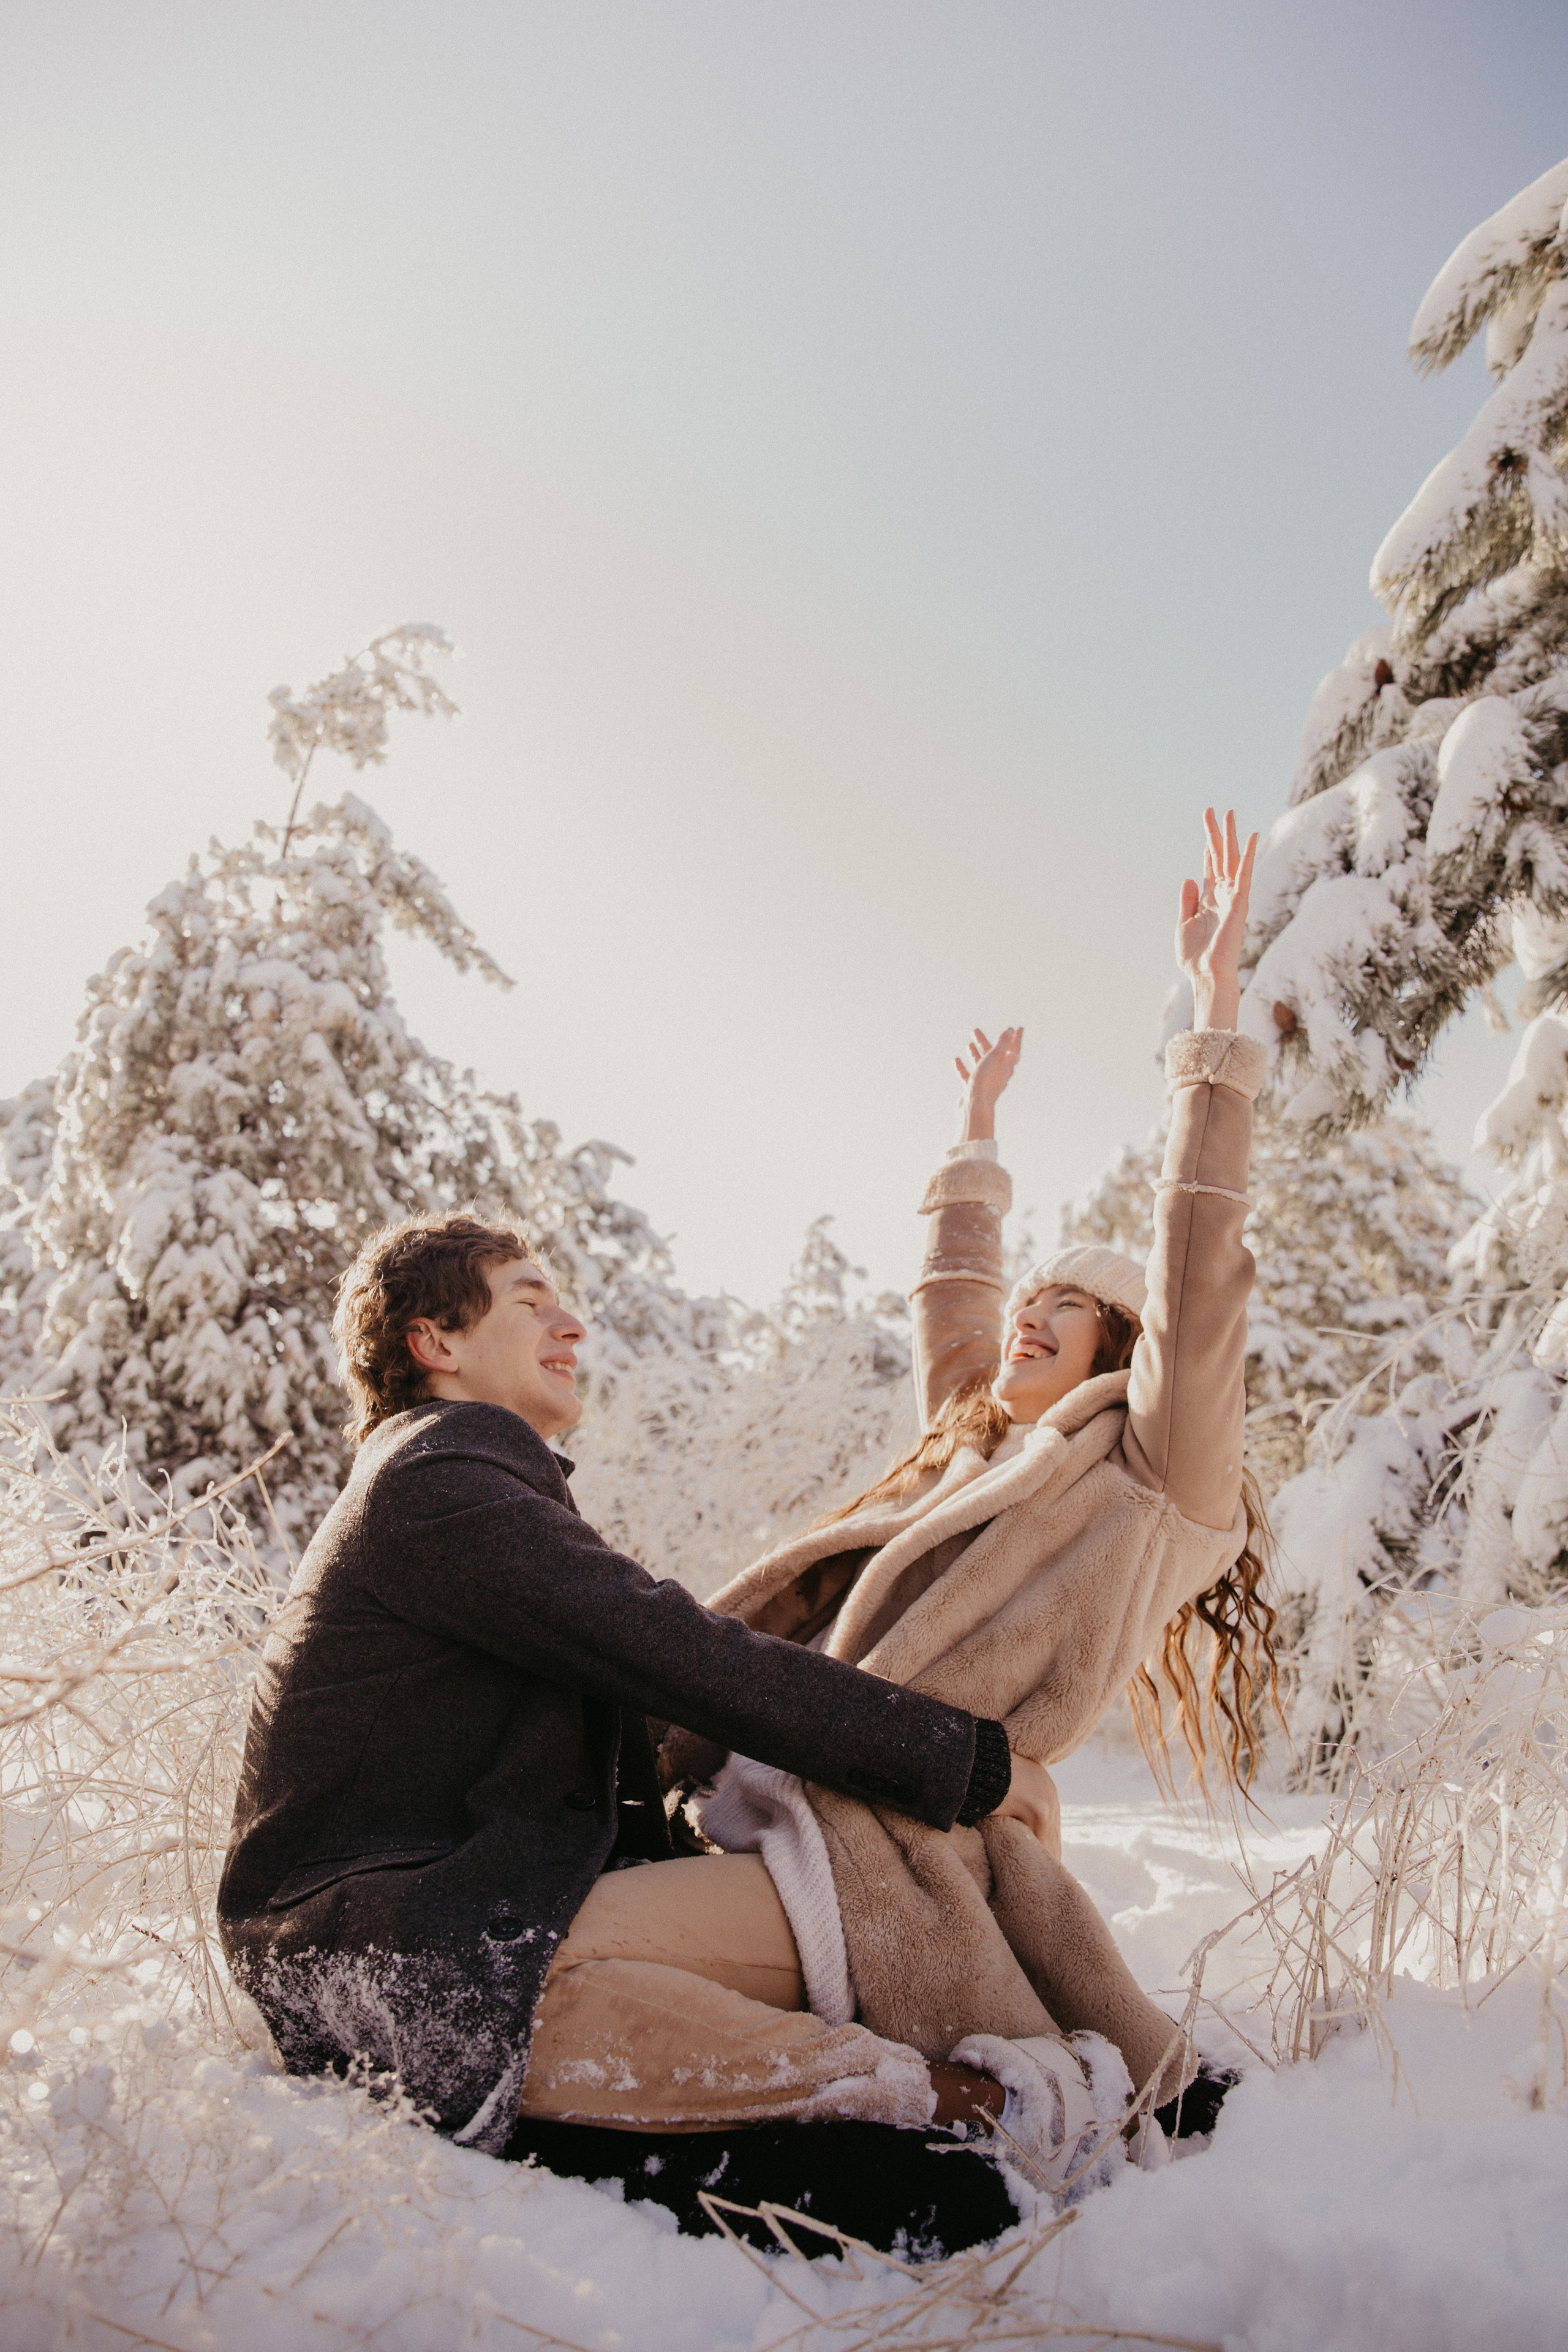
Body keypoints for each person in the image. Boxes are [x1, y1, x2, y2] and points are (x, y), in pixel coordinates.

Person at [216, 1203, 1093, 2188]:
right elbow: (680, 1652)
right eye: (528, 1302)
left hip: (419, 1927)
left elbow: (649, 1702)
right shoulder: (439, 1480)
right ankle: (973, 2108)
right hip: (382, 1956)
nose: (572, 1327)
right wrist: (961, 1762)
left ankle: (914, 2110)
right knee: (572, 1988)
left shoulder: (466, 1482)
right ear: (436, 1342)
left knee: (829, 1884)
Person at [676, 809, 1273, 2146]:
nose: (1027, 1313)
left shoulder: (1147, 1474)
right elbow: (954, 1301)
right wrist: (975, 1135)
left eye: (1064, 1305)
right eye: (1032, 1295)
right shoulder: (974, 1446)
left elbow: (1196, 1259)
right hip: (779, 1779)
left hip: (899, 1833)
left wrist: (1212, 1019)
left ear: (1120, 1349)